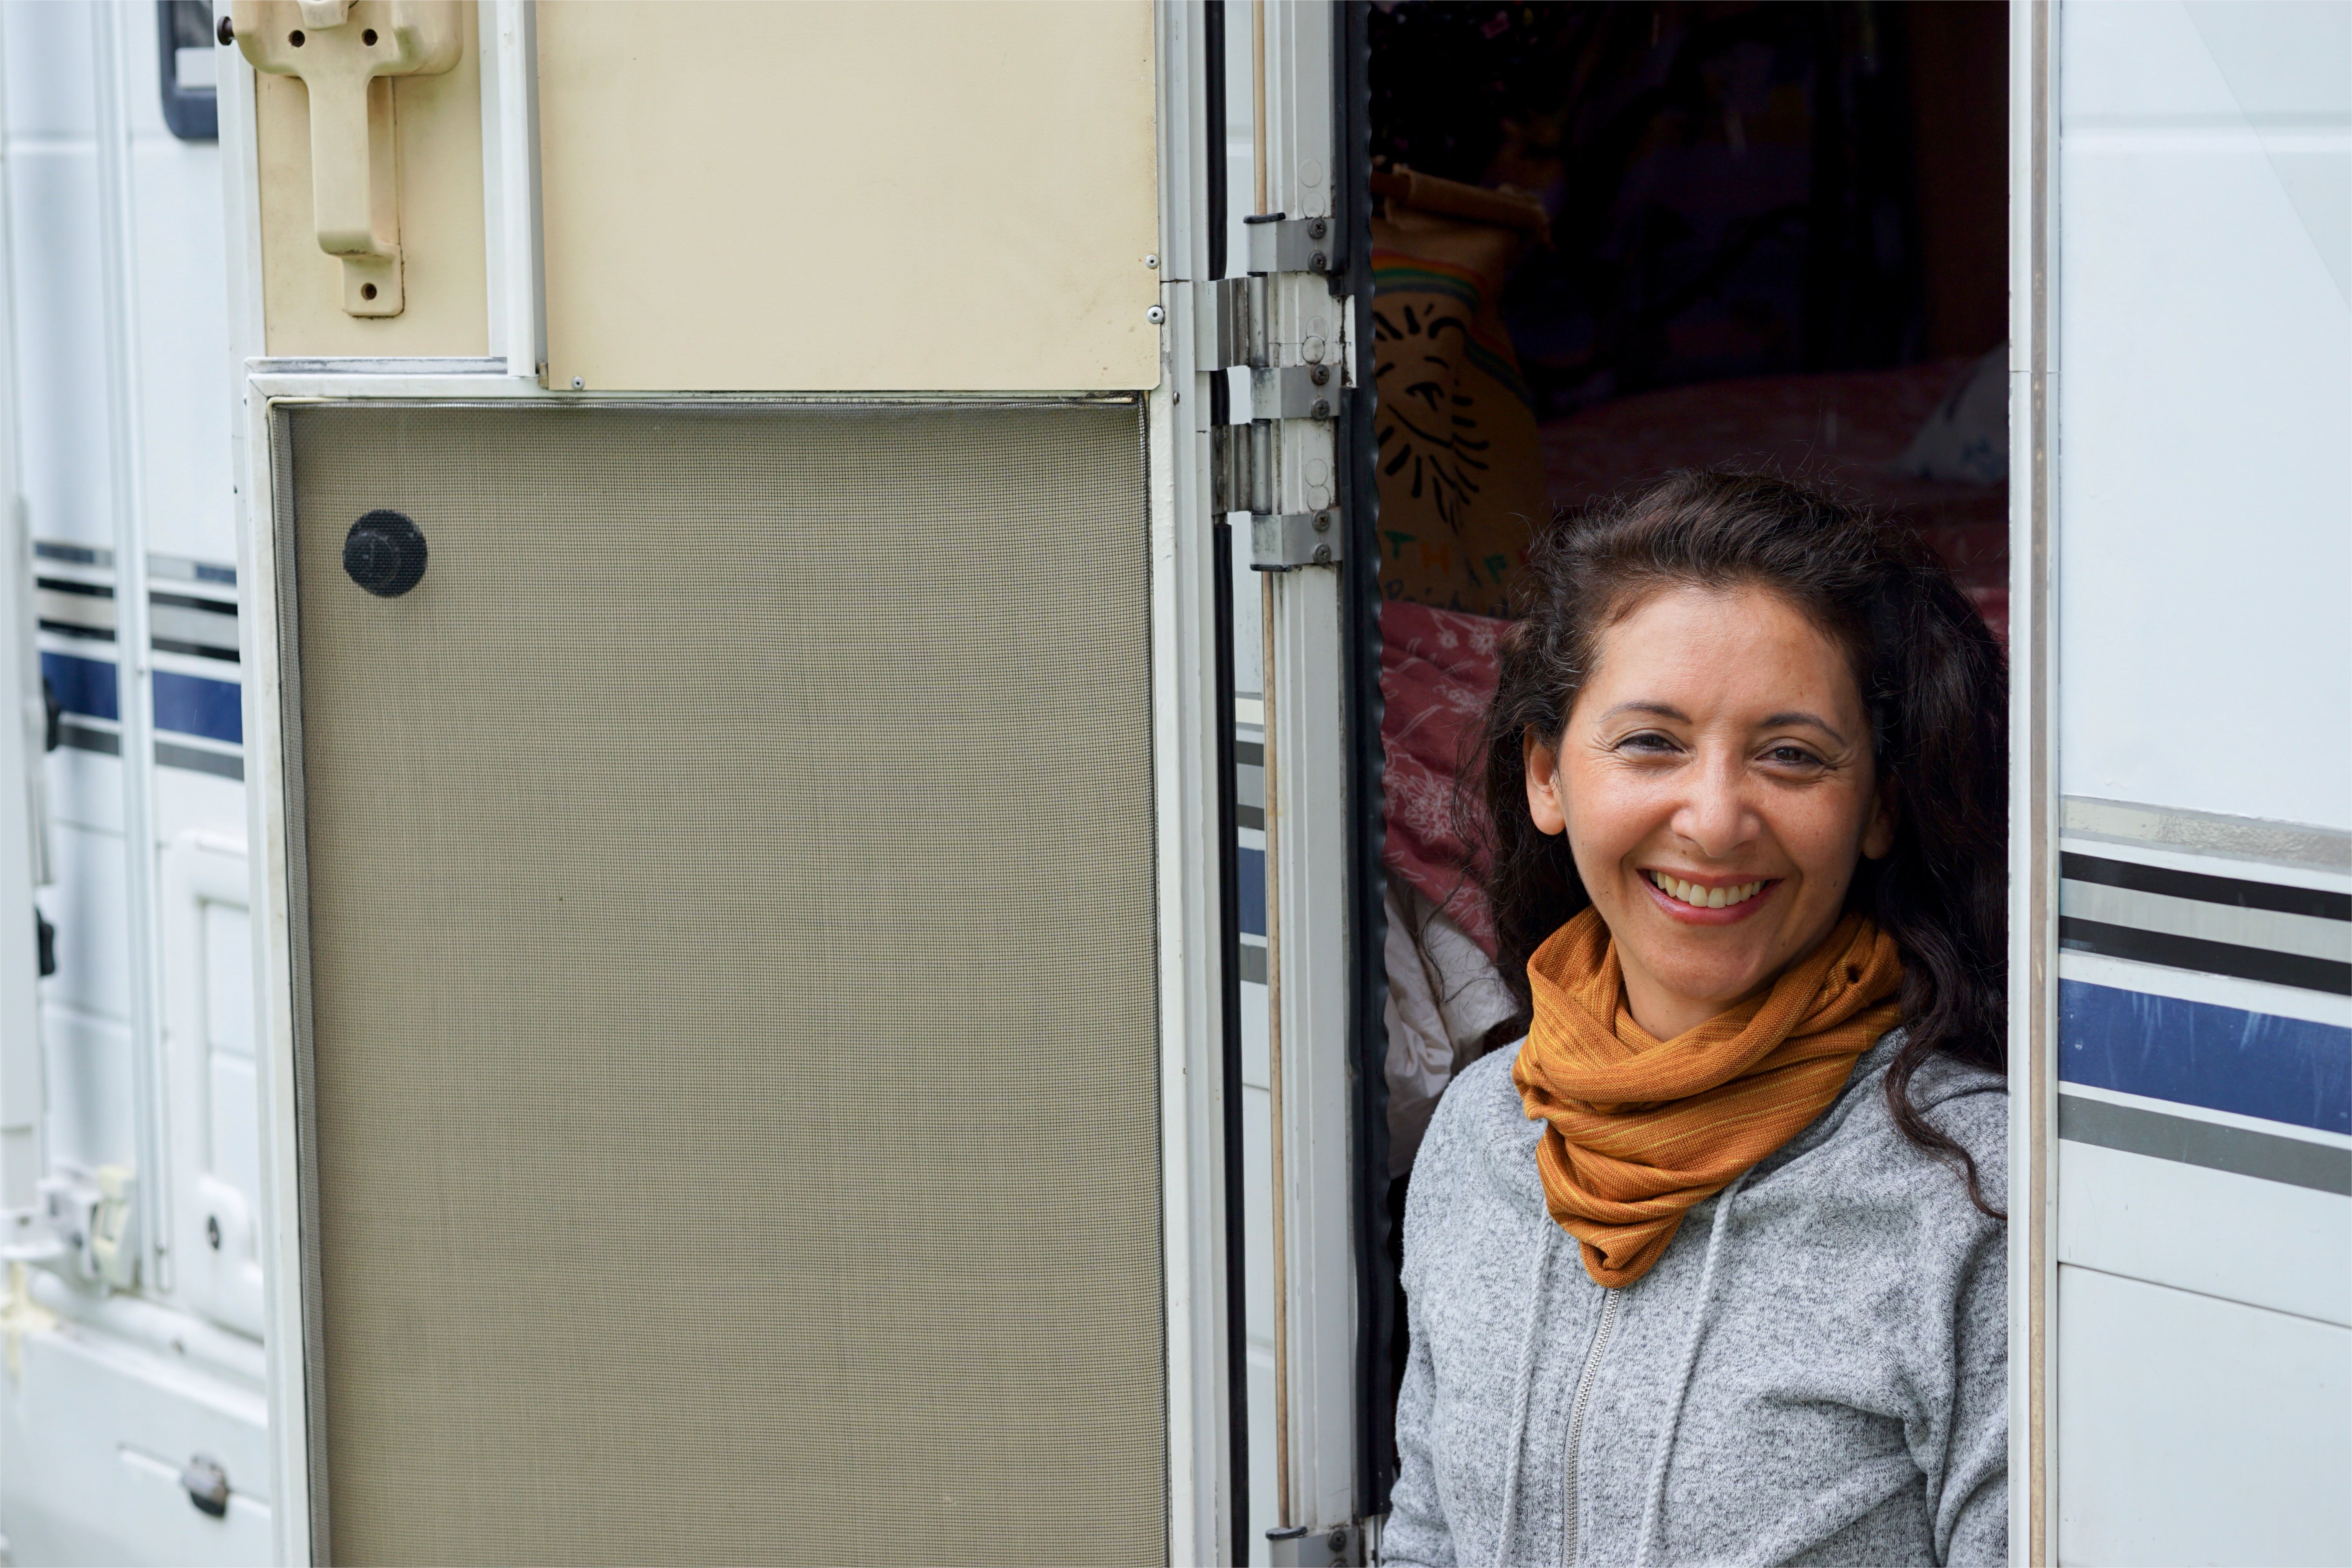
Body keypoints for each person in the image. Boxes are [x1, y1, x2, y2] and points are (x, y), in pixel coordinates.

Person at [1385, 471, 2009, 1567]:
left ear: (1878, 806)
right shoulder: (1483, 1127)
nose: (1715, 822)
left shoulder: (1971, 1193)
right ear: (1546, 775)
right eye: (1651, 743)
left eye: (1792, 755)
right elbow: (1427, 1540)